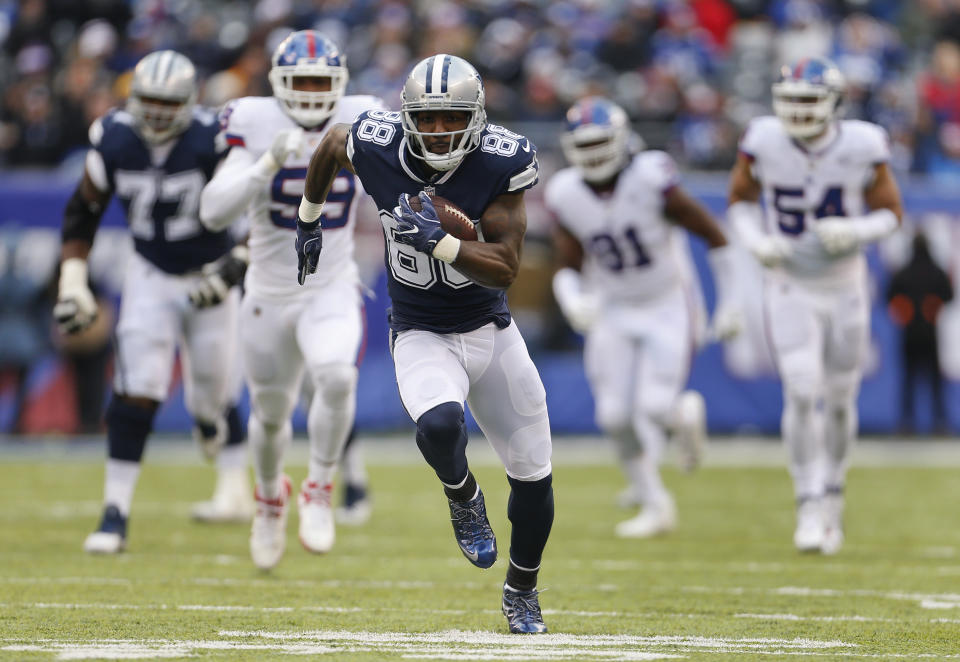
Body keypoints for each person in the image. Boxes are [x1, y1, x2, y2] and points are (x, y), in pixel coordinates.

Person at [296, 54, 554, 634]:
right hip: (419, 330)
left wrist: (442, 243)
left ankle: (522, 590)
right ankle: (462, 494)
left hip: (489, 329)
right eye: (428, 118)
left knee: (534, 477)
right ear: (409, 116)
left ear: (476, 116)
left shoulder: (500, 160)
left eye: (451, 118)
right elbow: (333, 143)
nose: (439, 130)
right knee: (439, 426)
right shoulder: (378, 143)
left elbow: (507, 265)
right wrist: (309, 218)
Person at [199, 30, 384, 569]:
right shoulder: (254, 121)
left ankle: (321, 487)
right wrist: (262, 168)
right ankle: (267, 501)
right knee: (271, 414)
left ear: (340, 84)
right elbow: (213, 212)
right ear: (278, 83)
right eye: (299, 82)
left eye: (319, 82)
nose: (309, 92)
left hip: (330, 284)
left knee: (337, 376)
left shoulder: (363, 115)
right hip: (268, 289)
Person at [55, 50, 253, 554]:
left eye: (169, 102)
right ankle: (115, 512)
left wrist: (232, 268)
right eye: (149, 101)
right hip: (148, 274)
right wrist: (73, 280)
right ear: (133, 98)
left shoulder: (215, 139)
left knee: (213, 391)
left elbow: (257, 216)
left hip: (209, 275)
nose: (159, 112)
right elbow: (83, 211)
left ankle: (218, 445)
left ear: (189, 101)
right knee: (137, 386)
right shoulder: (115, 137)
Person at [727, 56, 903, 555]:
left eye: (810, 100)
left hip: (845, 282)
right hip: (789, 280)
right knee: (803, 389)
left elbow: (891, 213)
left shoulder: (863, 144)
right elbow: (739, 199)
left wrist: (858, 229)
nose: (800, 110)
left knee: (841, 397)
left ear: (834, 103)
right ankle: (807, 501)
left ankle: (833, 495)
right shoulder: (762, 139)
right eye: (792, 100)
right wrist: (755, 239)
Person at [545, 96, 742, 539]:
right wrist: (572, 298)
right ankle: (655, 503)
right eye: (585, 145)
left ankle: (680, 414)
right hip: (614, 307)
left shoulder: (650, 177)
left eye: (601, 143)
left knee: (652, 406)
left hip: (667, 302)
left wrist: (730, 300)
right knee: (614, 416)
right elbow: (568, 264)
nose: (594, 154)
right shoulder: (567, 193)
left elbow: (714, 235)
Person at [886, 231, 954, 433]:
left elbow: (889, 295)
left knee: (909, 378)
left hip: (910, 333)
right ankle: (939, 422)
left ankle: (907, 422)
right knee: (934, 380)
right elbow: (949, 294)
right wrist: (933, 308)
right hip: (929, 332)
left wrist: (905, 311)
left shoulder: (904, 272)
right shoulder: (936, 271)